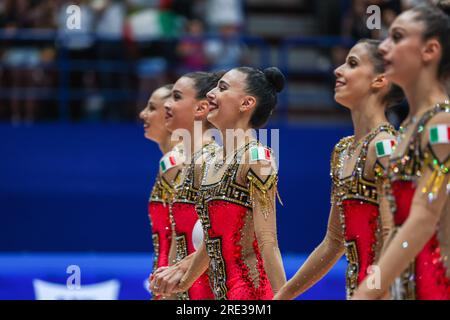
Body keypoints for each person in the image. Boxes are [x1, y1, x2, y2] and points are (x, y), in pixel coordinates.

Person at [274, 39, 403, 300]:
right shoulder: (343, 151)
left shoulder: (386, 148)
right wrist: (283, 295)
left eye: (352, 63)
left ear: (380, 80)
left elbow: (395, 235)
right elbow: (333, 243)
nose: (338, 70)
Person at [150, 67, 287, 300]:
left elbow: (268, 243)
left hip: (249, 293)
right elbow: (212, 241)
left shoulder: (257, 159)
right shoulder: (207, 162)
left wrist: (284, 296)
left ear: (246, 104)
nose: (212, 93)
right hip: (219, 293)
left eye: (222, 88)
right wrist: (182, 281)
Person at [354, 2, 450, 300]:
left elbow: (424, 216)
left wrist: (367, 293)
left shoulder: (441, 123)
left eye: (396, 37)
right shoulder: (409, 126)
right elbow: (396, 228)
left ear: (429, 51)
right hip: (407, 287)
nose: (383, 48)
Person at [162, 71, 225, 299]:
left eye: (177, 97)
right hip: (184, 289)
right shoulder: (179, 162)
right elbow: (179, 239)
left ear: (201, 108)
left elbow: (232, 236)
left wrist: (183, 268)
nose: (167, 105)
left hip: (211, 290)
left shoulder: (213, 162)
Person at [139, 84, 184, 300]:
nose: (142, 114)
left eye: (151, 108)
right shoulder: (169, 162)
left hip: (179, 287)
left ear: (169, 112)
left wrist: (171, 292)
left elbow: (186, 234)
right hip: (167, 281)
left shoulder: (177, 163)